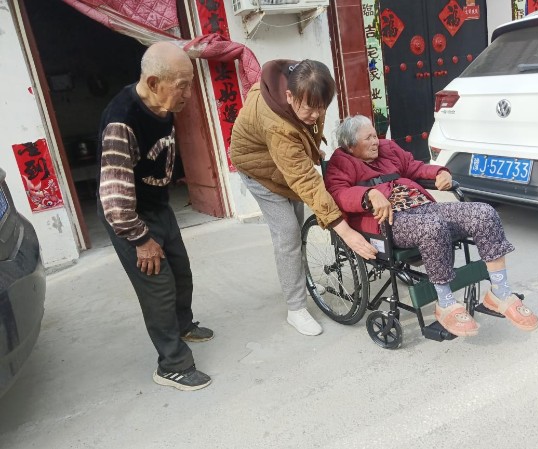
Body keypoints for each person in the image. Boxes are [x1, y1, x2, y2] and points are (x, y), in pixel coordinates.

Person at [324, 115, 538, 337]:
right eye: (367, 138)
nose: (375, 142)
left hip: (424, 206)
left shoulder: (388, 148)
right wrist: (368, 194)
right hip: (390, 221)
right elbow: (338, 193)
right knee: (433, 227)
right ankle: (445, 303)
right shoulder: (341, 162)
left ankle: (500, 293)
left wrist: (439, 172)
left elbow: (413, 166)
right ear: (350, 146)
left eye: (374, 135)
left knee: (484, 213)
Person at [230, 60, 378, 336]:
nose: (316, 114)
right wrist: (345, 230)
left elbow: (304, 134)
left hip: (281, 161)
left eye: (322, 108)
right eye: (310, 108)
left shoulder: (308, 86)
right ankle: (296, 308)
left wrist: (311, 149)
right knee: (287, 232)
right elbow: (304, 180)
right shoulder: (276, 124)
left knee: (298, 226)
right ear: (289, 96)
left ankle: (302, 280)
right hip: (256, 168)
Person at [97, 42, 213, 391]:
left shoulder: (162, 104)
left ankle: (183, 325)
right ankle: (172, 365)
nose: (189, 94)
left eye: (190, 84)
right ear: (152, 82)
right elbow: (115, 203)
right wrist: (141, 240)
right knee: (158, 288)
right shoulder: (121, 122)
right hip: (130, 216)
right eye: (182, 86)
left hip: (158, 204)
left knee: (181, 272)